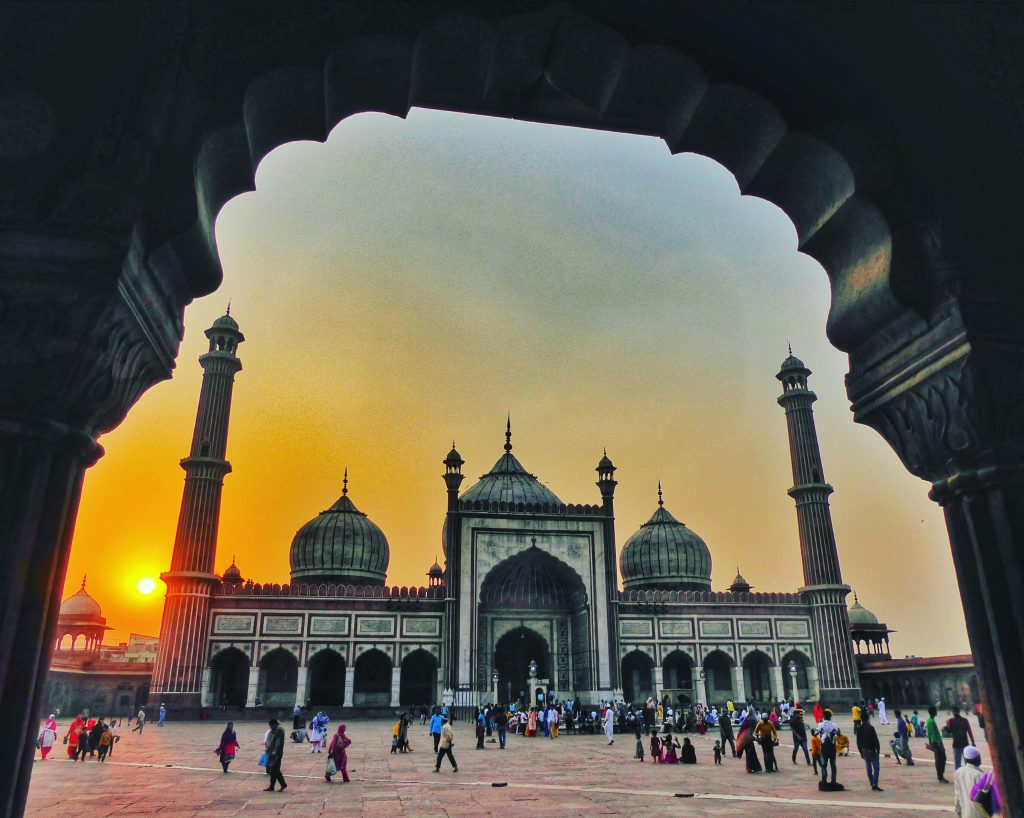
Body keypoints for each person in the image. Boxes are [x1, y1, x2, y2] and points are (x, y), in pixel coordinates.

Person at [954, 745, 985, 817]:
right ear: (976, 759)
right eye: (979, 758)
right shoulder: (979, 775)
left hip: (965, 813)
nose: (980, 760)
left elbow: (957, 796)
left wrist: (959, 813)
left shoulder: (958, 772)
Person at [857, 709, 882, 792]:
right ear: (868, 718)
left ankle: (871, 783)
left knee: (868, 767)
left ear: (861, 719)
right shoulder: (871, 728)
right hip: (872, 750)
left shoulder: (859, 728)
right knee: (876, 767)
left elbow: (858, 741)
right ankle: (875, 784)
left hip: (864, 750)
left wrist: (860, 752)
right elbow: (875, 740)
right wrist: (878, 750)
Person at [926, 705, 949, 783]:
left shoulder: (928, 720)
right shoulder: (932, 721)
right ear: (934, 712)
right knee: (941, 759)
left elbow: (929, 733)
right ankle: (940, 776)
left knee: (939, 759)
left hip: (934, 742)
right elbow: (935, 735)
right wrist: (940, 746)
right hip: (937, 742)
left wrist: (930, 743)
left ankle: (940, 776)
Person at [264, 718, 287, 792]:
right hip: (274, 752)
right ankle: (272, 786)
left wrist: (274, 750)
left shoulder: (279, 730)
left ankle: (283, 784)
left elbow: (278, 741)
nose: (270, 727)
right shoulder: (276, 730)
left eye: (271, 726)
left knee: (275, 770)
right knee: (273, 770)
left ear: (274, 724)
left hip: (276, 753)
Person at [817, 709, 839, 786]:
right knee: (833, 764)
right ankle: (833, 781)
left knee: (824, 765)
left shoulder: (820, 725)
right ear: (830, 716)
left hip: (824, 746)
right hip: (832, 746)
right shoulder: (834, 725)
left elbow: (815, 733)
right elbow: (838, 733)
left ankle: (824, 781)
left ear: (823, 716)